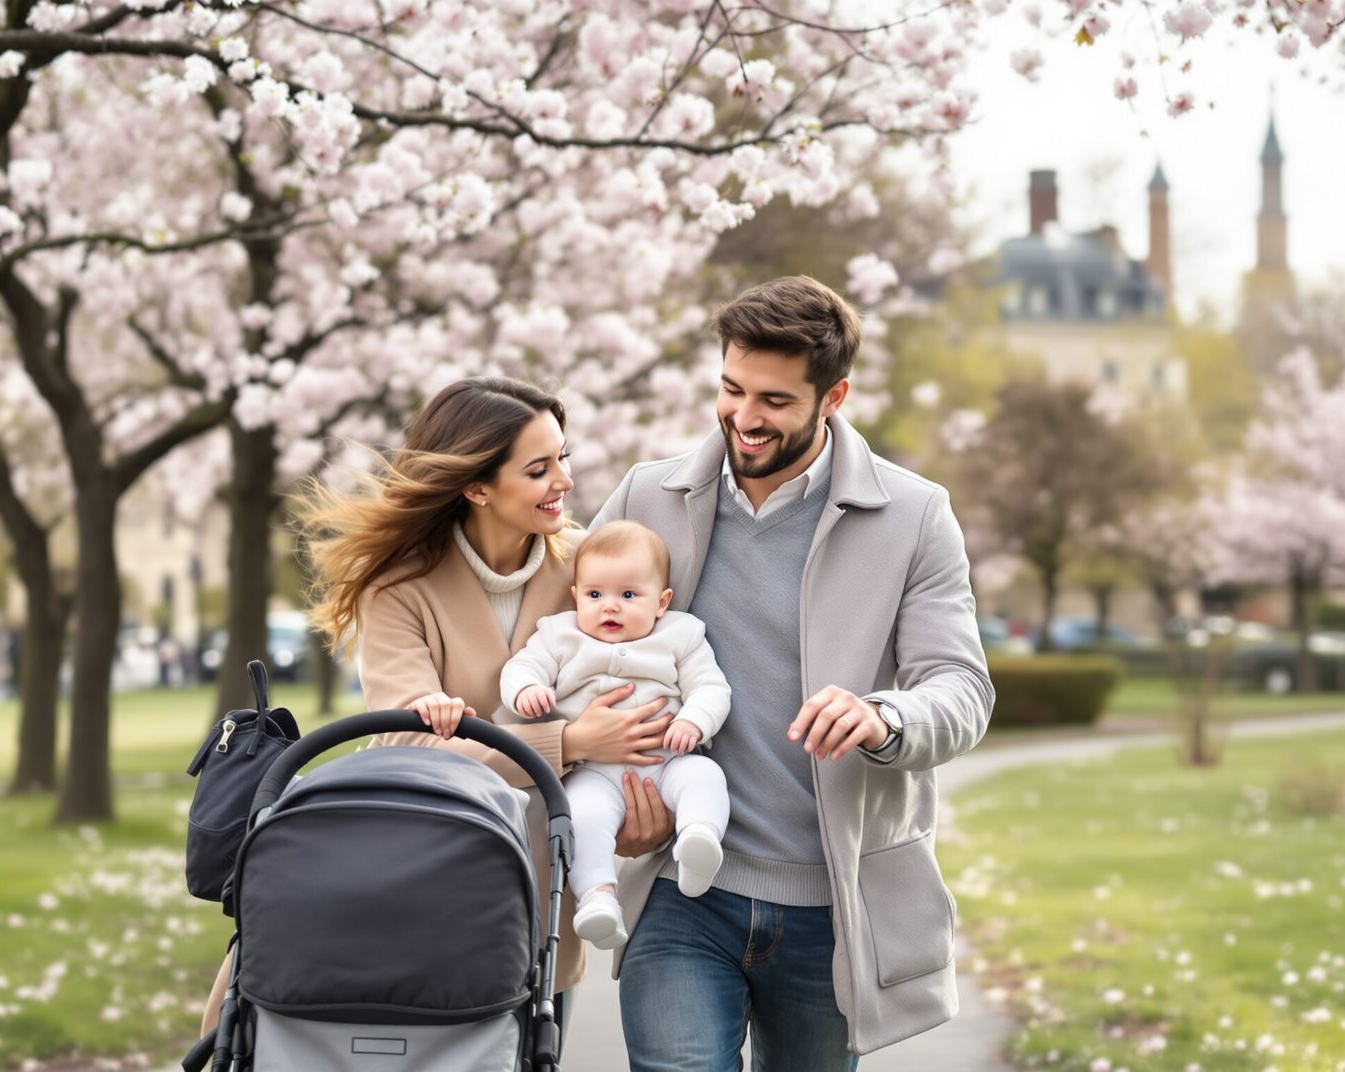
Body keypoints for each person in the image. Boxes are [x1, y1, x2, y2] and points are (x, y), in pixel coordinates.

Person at [592, 276, 995, 1069]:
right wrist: (608, 778)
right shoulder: (648, 495)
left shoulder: (914, 517)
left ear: (833, 395)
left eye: (774, 401)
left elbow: (961, 687)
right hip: (684, 888)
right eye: (731, 389)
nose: (745, 418)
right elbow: (562, 638)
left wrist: (885, 718)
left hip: (830, 908)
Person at [199, 376, 679, 1039]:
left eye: (563, 457)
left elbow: (640, 696)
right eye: (538, 468)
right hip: (417, 871)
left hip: (534, 892)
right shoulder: (402, 586)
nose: (563, 481)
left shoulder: (587, 573)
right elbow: (414, 744)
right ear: (478, 488)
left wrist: (638, 808)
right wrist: (567, 743)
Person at [498, 520, 732, 951]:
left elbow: (711, 688)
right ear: (575, 597)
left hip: (669, 760)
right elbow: (521, 668)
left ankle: (699, 839)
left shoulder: (681, 634)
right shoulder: (559, 633)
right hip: (594, 771)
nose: (610, 607)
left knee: (704, 778)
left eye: (628, 595)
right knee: (581, 815)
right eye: (594, 595)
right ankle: (597, 898)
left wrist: (693, 721)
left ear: (662, 602)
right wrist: (526, 690)